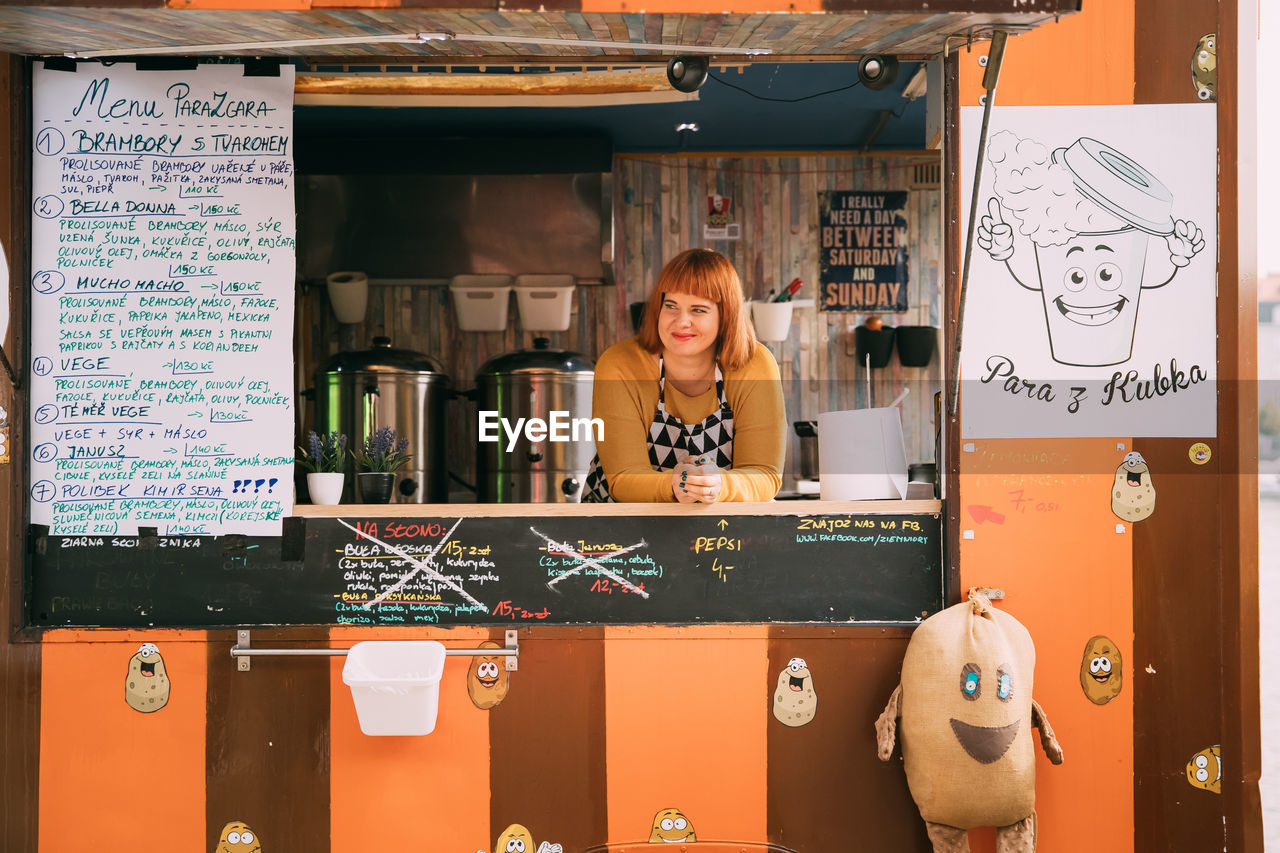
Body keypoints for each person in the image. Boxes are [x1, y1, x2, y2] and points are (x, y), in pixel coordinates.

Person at [581, 248, 785, 503]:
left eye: (698, 310)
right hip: (617, 524)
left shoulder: (755, 364)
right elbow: (624, 477)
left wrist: (719, 485)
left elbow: (764, 474)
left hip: (719, 530)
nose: (681, 321)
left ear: (726, 316)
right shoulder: (619, 364)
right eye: (671, 306)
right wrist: (678, 485)